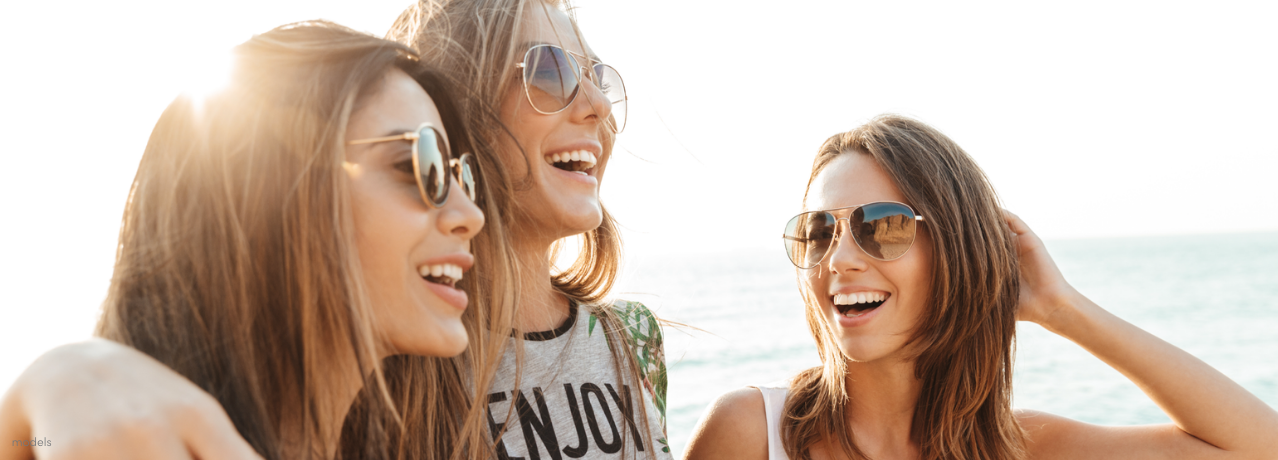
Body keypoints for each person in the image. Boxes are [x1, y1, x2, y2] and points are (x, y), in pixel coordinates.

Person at [1, 1, 669, 459]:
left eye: (461, 174)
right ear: (270, 194)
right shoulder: (404, 394)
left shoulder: (624, 343)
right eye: (421, 166)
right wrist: (61, 379)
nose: (469, 211)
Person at [683, 115, 1278, 460]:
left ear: (958, 249)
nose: (838, 259)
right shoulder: (752, 433)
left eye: (881, 227)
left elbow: (1257, 448)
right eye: (816, 232)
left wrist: (1062, 309)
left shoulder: (1021, 447)